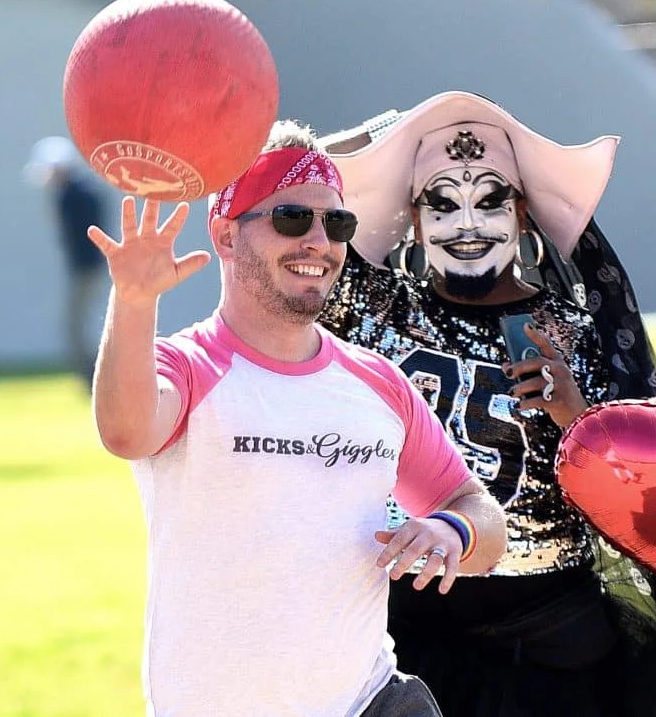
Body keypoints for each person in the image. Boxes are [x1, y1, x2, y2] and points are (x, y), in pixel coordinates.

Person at [315, 91, 656, 717]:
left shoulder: (578, 331)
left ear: (524, 214)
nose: (467, 225)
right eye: (441, 204)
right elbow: (280, 173)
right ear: (411, 221)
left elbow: (641, 496)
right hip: (411, 637)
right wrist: (387, 134)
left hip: (555, 649)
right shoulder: (375, 307)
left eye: (491, 201)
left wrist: (576, 418)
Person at [84, 119, 508, 717]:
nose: (319, 242)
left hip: (371, 703)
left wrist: (452, 530)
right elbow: (125, 432)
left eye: (336, 223)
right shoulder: (186, 366)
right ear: (227, 235)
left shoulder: (379, 385)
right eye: (291, 219)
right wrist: (133, 299)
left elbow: (482, 520)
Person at [24, 136, 107, 387]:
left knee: (76, 326)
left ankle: (92, 376)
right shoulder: (86, 191)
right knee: (78, 324)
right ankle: (93, 375)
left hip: (85, 269)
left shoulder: (72, 195)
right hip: (89, 267)